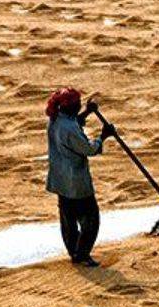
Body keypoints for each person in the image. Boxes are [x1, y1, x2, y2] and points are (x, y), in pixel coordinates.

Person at [45, 87, 115, 267]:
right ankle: (82, 254)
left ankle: (74, 252)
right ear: (70, 106)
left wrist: (87, 113)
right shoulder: (68, 128)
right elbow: (88, 148)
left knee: (68, 219)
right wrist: (103, 136)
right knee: (90, 220)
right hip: (75, 182)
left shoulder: (55, 119)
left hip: (61, 181)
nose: (79, 106)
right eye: (77, 104)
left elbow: (73, 122)